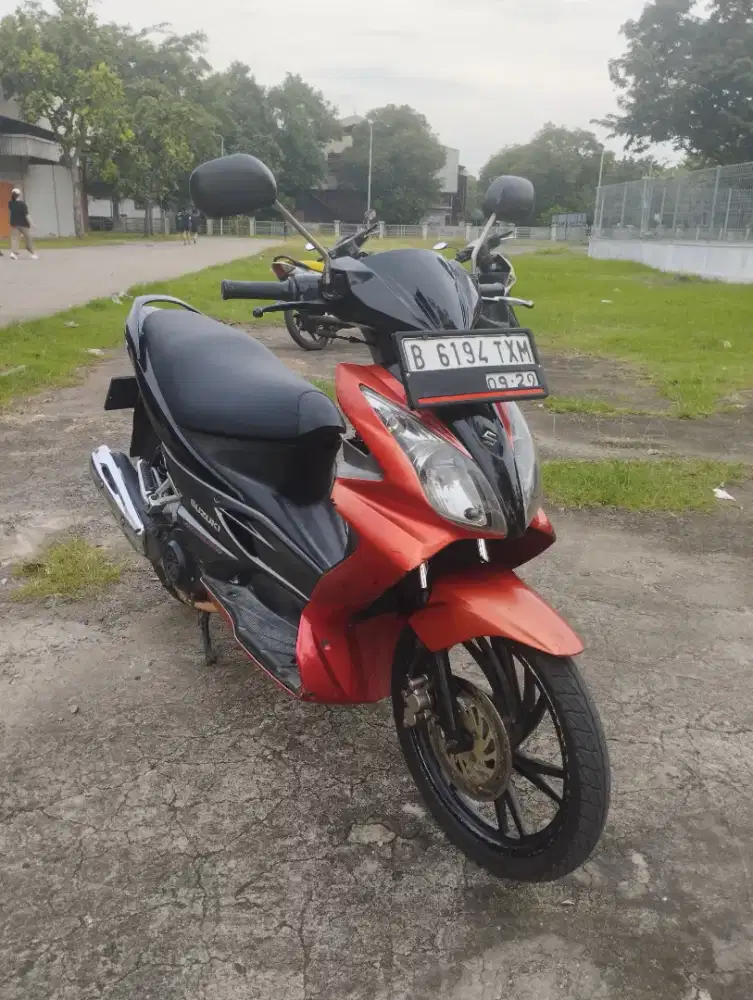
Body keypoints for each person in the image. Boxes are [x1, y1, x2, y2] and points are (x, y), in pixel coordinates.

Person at [8, 188, 37, 259]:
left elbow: (11, 211)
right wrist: (32, 223)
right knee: (28, 238)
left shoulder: (10, 203)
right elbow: (26, 214)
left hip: (14, 223)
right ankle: (32, 253)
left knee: (14, 238)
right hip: (23, 224)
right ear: (19, 195)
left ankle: (13, 253)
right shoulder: (23, 204)